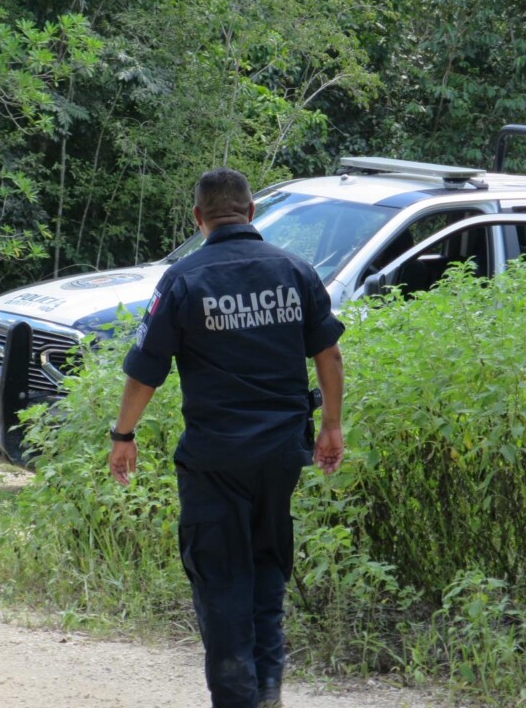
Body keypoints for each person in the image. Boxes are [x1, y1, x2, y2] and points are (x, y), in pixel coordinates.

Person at [108, 167, 345, 708]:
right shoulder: (294, 270)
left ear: (198, 217)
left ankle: (239, 698)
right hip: (281, 454)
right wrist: (332, 426)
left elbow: (145, 372)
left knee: (220, 578)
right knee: (267, 566)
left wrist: (124, 434)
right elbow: (329, 354)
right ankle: (267, 690)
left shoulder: (184, 279)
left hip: (215, 459)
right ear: (251, 211)